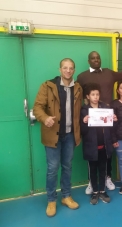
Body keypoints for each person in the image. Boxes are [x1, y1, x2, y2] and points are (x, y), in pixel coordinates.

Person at [77, 49, 122, 193]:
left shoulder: (108, 72)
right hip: (91, 119)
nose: (96, 60)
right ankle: (92, 181)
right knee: (92, 149)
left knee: (108, 149)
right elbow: (76, 95)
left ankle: (107, 177)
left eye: (98, 58)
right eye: (93, 58)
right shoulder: (82, 76)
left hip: (107, 119)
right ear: (89, 61)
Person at [33, 58, 83, 217]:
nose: (68, 71)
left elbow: (80, 110)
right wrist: (44, 118)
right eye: (65, 68)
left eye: (71, 68)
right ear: (60, 69)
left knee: (67, 166)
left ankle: (66, 196)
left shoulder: (78, 88)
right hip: (52, 135)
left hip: (70, 135)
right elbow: (37, 107)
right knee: (52, 169)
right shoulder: (47, 86)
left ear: (74, 70)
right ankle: (51, 200)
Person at [80, 83, 114, 205]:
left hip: (104, 146)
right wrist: (84, 122)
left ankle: (102, 191)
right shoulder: (84, 110)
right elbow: (82, 132)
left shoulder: (105, 108)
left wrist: (113, 119)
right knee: (93, 170)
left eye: (97, 94)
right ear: (88, 96)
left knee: (103, 169)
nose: (95, 97)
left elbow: (110, 128)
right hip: (91, 147)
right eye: (93, 95)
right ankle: (95, 192)